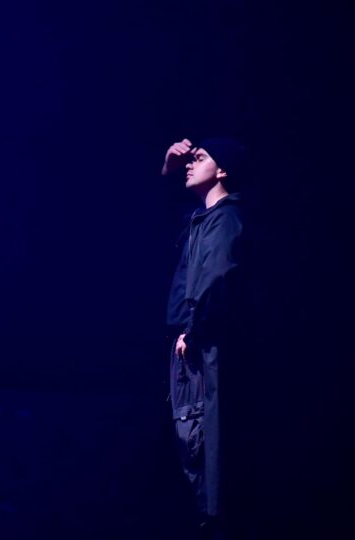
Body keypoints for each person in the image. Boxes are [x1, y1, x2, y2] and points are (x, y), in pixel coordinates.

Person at [162, 137, 245, 537]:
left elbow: (216, 279)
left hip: (205, 346)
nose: (191, 164)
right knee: (190, 437)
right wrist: (168, 167)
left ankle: (216, 523)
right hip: (192, 345)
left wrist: (193, 333)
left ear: (222, 169)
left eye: (201, 158)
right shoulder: (200, 219)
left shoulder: (225, 219)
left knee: (206, 440)